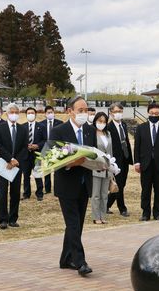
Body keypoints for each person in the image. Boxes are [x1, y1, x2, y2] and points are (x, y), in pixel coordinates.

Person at [51, 96, 96, 276]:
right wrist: (73, 162)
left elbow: (92, 154)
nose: (83, 114)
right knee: (73, 224)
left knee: (76, 225)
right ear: (70, 111)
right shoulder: (58, 131)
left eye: (85, 110)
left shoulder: (90, 131)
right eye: (80, 110)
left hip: (84, 184)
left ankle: (65, 259)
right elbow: (53, 159)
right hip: (66, 184)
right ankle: (80, 262)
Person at [134, 103, 159, 221]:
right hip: (145, 164)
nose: (154, 115)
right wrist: (137, 162)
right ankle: (145, 213)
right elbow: (137, 146)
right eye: (152, 113)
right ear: (148, 113)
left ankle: (157, 212)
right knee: (146, 190)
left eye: (156, 113)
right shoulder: (141, 128)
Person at [0, 103, 28, 229]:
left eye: (16, 112)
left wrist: (16, 160)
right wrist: (10, 159)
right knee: (2, 193)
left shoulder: (22, 129)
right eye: (11, 112)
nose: (14, 114)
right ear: (7, 113)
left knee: (15, 193)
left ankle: (13, 219)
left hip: (17, 165)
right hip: (3, 164)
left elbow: (25, 147)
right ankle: (3, 219)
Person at [106, 102, 133, 217]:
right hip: (115, 160)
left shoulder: (124, 125)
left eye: (120, 111)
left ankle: (106, 205)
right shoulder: (108, 127)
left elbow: (125, 141)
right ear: (111, 113)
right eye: (115, 112)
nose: (118, 114)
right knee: (119, 184)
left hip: (125, 158)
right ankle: (122, 208)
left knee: (122, 184)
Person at [91, 112, 113, 224]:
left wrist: (111, 166)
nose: (102, 123)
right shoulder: (92, 133)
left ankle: (103, 215)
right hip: (96, 167)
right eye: (100, 121)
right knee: (96, 194)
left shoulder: (108, 133)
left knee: (104, 194)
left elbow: (110, 151)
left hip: (107, 168)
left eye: (104, 121)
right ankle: (96, 216)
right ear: (95, 121)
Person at [21, 107, 47, 201]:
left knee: (38, 174)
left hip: (37, 154)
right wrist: (26, 146)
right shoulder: (22, 127)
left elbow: (45, 140)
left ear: (35, 114)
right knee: (26, 175)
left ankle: (39, 194)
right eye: (29, 113)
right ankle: (26, 193)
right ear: (26, 115)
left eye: (32, 113)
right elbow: (20, 141)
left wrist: (37, 145)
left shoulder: (42, 126)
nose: (30, 114)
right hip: (25, 155)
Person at [40, 105, 63, 194]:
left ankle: (58, 188)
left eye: (51, 112)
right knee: (47, 169)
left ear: (54, 113)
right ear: (45, 114)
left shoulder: (60, 123)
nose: (50, 114)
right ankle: (47, 188)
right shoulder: (41, 124)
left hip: (57, 148)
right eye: (48, 113)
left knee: (57, 170)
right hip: (46, 148)